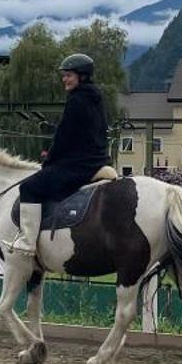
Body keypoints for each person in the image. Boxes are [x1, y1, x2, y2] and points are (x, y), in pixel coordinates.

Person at [11, 53, 111, 256]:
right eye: (64, 75)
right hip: (96, 160)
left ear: (81, 76)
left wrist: (49, 160)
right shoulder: (94, 96)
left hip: (78, 165)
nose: (64, 79)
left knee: (29, 187)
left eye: (69, 75)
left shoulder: (76, 101)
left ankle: (28, 241)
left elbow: (64, 137)